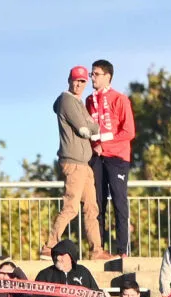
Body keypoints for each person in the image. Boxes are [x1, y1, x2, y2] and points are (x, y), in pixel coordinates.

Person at [47, 68, 101, 252]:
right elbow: (84, 129)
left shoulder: (78, 102)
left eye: (82, 81)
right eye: (75, 80)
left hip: (84, 164)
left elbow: (93, 127)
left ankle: (97, 250)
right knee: (71, 207)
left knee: (91, 208)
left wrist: (91, 127)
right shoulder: (67, 100)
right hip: (73, 162)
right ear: (69, 80)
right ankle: (50, 245)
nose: (78, 84)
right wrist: (91, 127)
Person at [85, 59, 135, 258]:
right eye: (91, 74)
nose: (92, 78)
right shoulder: (89, 100)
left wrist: (104, 146)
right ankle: (99, 249)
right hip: (96, 158)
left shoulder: (120, 99)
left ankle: (122, 250)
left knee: (119, 203)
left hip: (117, 157)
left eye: (96, 74)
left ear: (108, 76)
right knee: (97, 204)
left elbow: (128, 131)